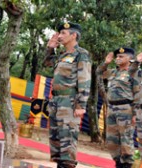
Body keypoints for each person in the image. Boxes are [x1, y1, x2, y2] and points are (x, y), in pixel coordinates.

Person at [43, 22, 91, 168]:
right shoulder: (62, 55)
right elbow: (45, 63)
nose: (60, 36)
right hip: (56, 100)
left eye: (64, 33)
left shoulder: (81, 54)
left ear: (74, 35)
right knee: (56, 141)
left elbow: (85, 79)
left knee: (67, 141)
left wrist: (81, 104)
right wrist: (50, 48)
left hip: (70, 102)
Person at [96, 47, 137, 168]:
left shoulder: (134, 73)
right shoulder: (113, 72)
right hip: (112, 108)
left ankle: (127, 164)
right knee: (111, 140)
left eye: (121, 57)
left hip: (126, 109)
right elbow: (98, 73)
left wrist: (135, 114)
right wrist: (106, 63)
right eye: (117, 57)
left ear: (130, 59)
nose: (117, 59)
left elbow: (138, 94)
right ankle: (118, 162)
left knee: (125, 139)